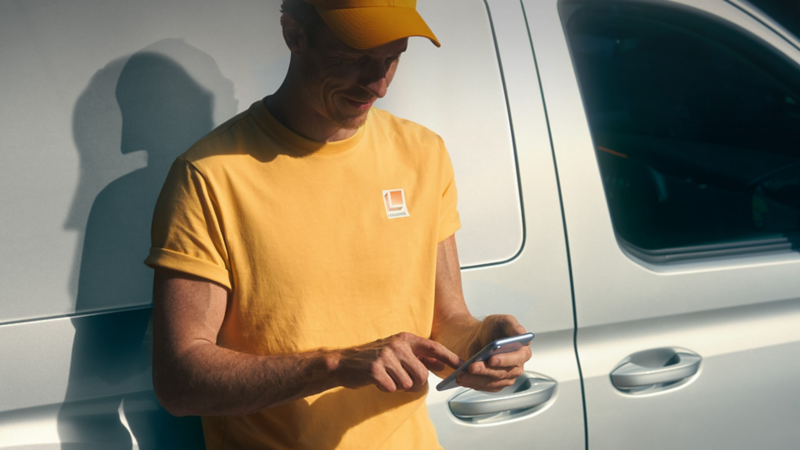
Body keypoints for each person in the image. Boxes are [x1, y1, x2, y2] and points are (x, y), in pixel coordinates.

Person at [145, 0, 533, 448]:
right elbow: (179, 382)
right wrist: (333, 364)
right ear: (295, 35)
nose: (378, 84)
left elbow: (445, 324)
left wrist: (483, 344)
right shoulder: (209, 176)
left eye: (392, 59)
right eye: (355, 58)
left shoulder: (423, 155)